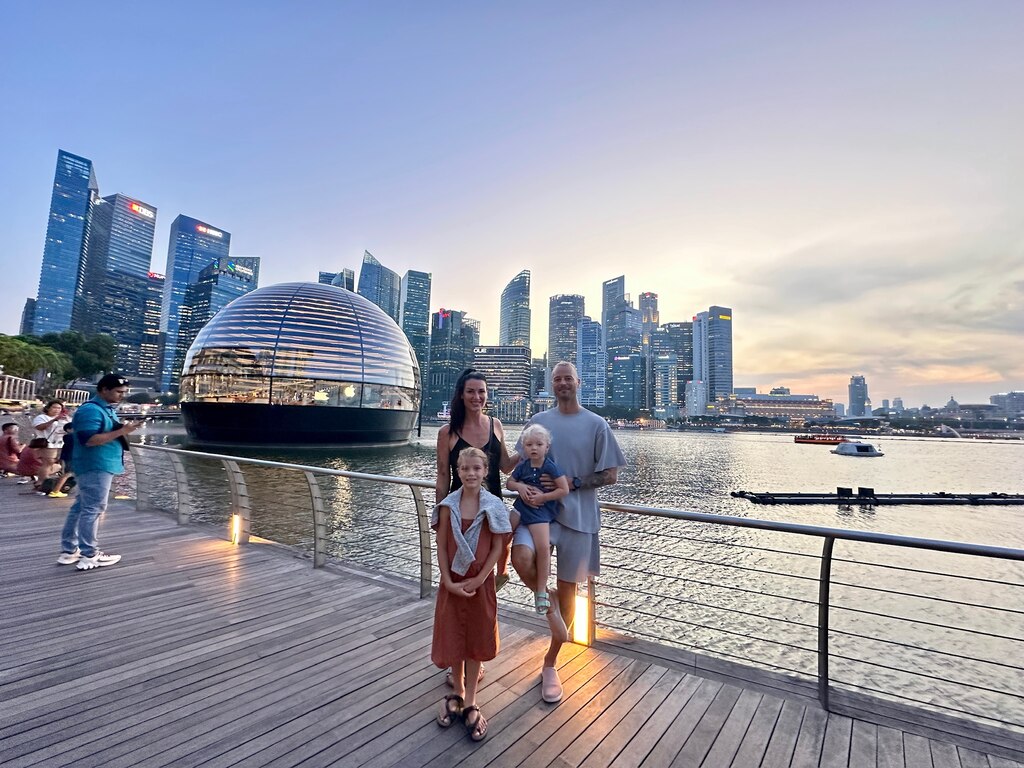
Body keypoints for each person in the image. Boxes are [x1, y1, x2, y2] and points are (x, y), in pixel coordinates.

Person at [511, 361, 626, 704]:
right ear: (551, 384)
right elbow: (513, 465)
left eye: (567, 378)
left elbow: (610, 476)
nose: (562, 383)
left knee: (568, 588)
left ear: (578, 382)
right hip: (538, 516)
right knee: (520, 558)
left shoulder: (597, 424)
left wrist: (574, 482)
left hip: (580, 519)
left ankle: (551, 663)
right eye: (556, 379)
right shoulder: (538, 422)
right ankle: (548, 610)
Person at [435, 368, 518, 689]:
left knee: (484, 594)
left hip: (492, 516)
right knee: (458, 590)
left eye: (482, 391)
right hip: (461, 518)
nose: (477, 397)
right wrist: (439, 514)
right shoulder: (448, 432)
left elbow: (505, 465)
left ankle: (476, 659)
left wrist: (533, 449)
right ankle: (456, 660)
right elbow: (443, 475)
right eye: (471, 391)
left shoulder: (495, 425)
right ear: (461, 394)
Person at [431, 448, 511, 742]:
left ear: (485, 470)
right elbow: (441, 545)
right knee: (454, 636)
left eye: (476, 468)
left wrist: (480, 578)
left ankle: (472, 700)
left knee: (477, 637)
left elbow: (497, 547)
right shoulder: (447, 506)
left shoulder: (492, 505)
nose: (470, 473)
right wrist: (447, 580)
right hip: (452, 582)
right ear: (458, 470)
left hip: (480, 584)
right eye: (464, 468)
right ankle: (457, 693)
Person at [57, 374, 143, 570]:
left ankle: (69, 551)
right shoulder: (91, 410)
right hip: (96, 465)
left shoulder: (104, 409)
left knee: (81, 507)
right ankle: (90, 554)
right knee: (93, 509)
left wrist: (123, 428)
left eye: (124, 392)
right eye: (119, 392)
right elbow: (90, 439)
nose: (122, 395)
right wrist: (123, 431)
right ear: (104, 389)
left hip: (97, 464)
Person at [506, 423, 569, 615]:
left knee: (543, 548)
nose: (534, 448)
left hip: (540, 512)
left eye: (539, 444)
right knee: (502, 533)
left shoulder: (550, 467)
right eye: (529, 445)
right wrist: (520, 488)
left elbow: (563, 489)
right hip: (521, 507)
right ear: (524, 447)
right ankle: (500, 571)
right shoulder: (523, 465)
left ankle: (541, 590)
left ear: (546, 447)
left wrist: (543, 498)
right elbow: (509, 482)